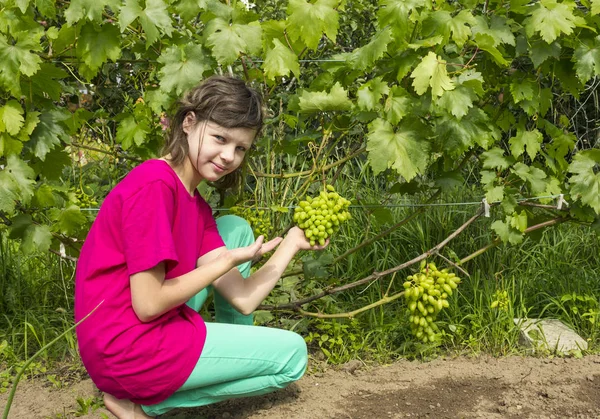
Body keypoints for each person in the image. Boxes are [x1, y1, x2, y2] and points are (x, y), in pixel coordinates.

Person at [74, 75, 327, 418]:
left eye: (240, 148)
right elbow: (148, 305)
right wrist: (223, 264)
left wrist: (293, 242)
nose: (228, 157)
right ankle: (148, 401)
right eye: (220, 138)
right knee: (293, 356)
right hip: (127, 349)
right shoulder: (154, 186)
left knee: (234, 228)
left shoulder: (195, 204)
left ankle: (198, 366)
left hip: (135, 336)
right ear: (189, 123)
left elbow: (244, 299)